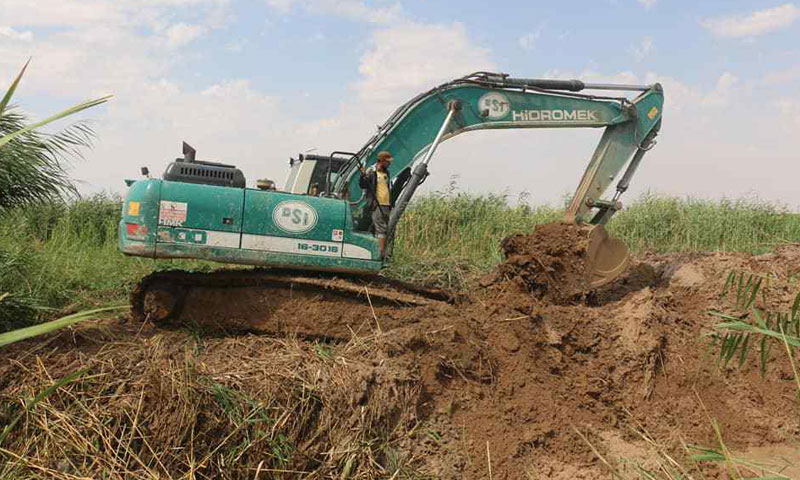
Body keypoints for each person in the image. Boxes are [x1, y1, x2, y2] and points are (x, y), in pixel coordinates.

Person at [359, 151, 393, 258]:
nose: (389, 163)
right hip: (377, 204)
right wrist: (362, 175)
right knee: (381, 228)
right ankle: (381, 253)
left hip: (386, 204)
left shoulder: (386, 173)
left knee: (384, 228)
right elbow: (363, 185)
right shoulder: (371, 171)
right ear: (381, 161)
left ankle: (378, 251)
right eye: (387, 161)